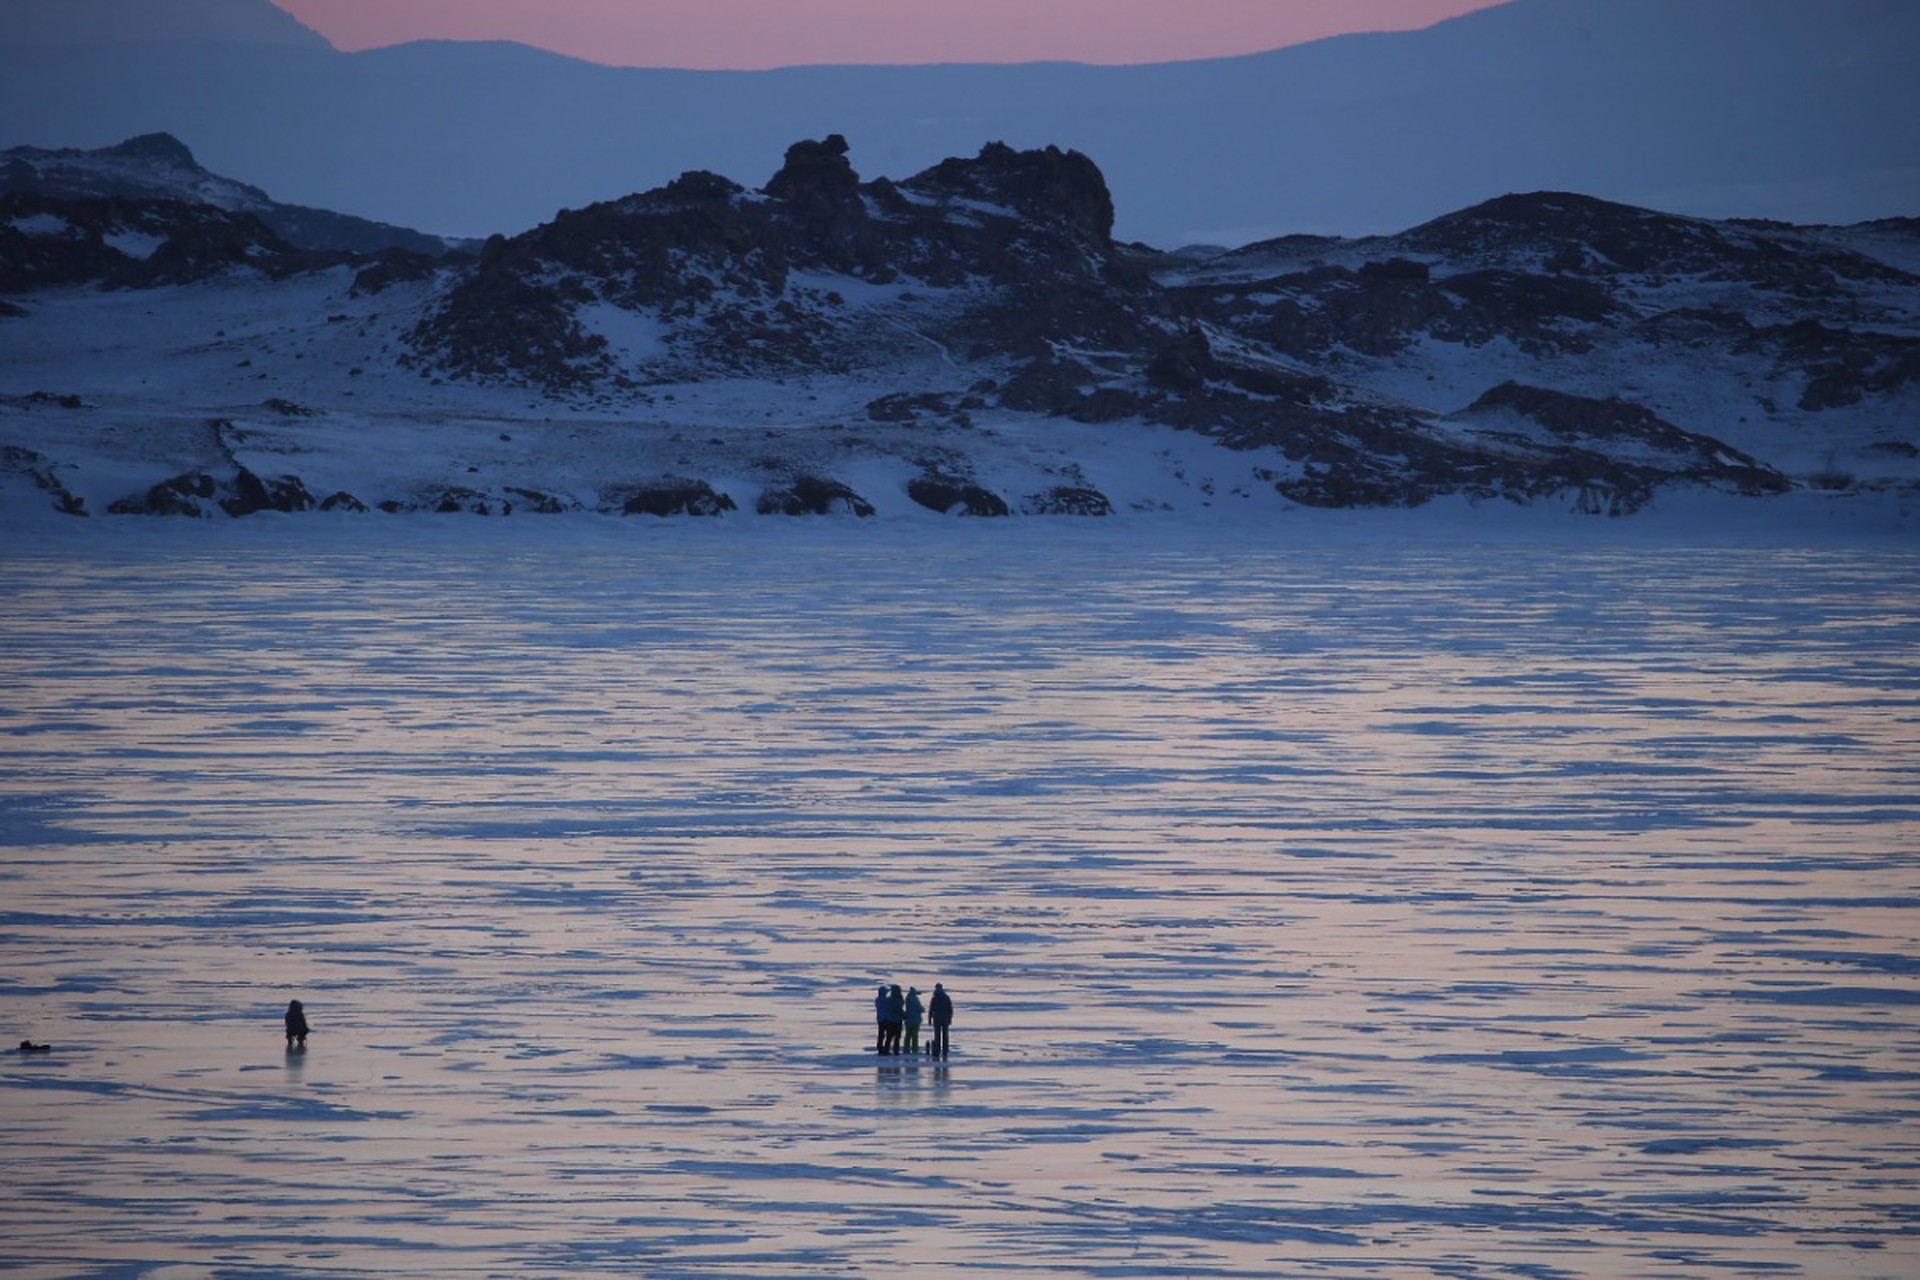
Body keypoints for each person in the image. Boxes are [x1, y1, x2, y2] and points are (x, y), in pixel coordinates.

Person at [927, 982, 952, 1057]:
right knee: (945, 1035)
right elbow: (950, 1009)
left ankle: (937, 1051)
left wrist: (929, 1019)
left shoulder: (934, 998)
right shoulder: (946, 997)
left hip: (937, 1019)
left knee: (937, 1036)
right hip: (945, 1019)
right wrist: (949, 1018)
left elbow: (931, 1009)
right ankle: (945, 1051)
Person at [883, 984, 906, 1055]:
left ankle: (886, 1049)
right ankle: (895, 1050)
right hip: (897, 1020)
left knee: (889, 1036)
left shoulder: (888, 999)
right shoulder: (898, 999)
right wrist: (904, 1015)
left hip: (889, 1020)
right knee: (897, 1037)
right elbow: (899, 1009)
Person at [903, 986, 924, 1054]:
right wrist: (922, 1009)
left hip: (908, 1019)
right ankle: (915, 1049)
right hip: (915, 1020)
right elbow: (919, 1008)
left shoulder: (907, 998)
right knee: (914, 1035)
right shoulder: (915, 999)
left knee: (908, 1035)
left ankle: (906, 1049)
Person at [873, 985, 889, 1053]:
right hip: (885, 1018)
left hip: (880, 1018)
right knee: (885, 1034)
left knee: (881, 1033)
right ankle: (883, 1047)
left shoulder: (877, 999)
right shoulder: (885, 1000)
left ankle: (880, 1046)